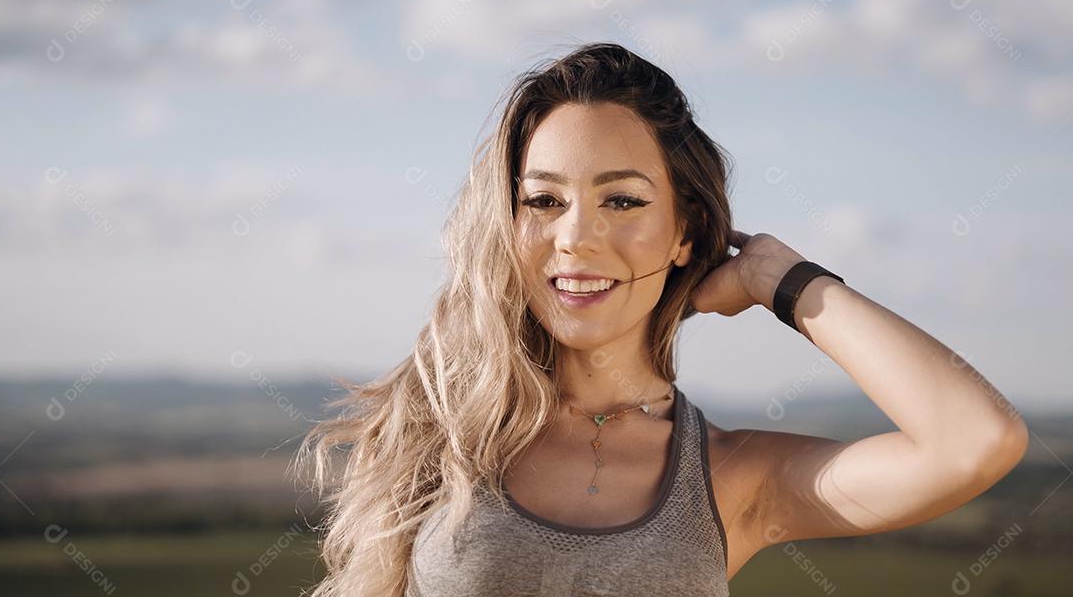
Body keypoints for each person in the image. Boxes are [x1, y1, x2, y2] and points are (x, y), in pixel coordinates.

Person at [294, 42, 1028, 597]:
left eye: (622, 200)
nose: (575, 236)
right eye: (543, 201)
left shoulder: (731, 477)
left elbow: (976, 440)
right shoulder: (444, 431)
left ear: (686, 231)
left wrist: (783, 281)